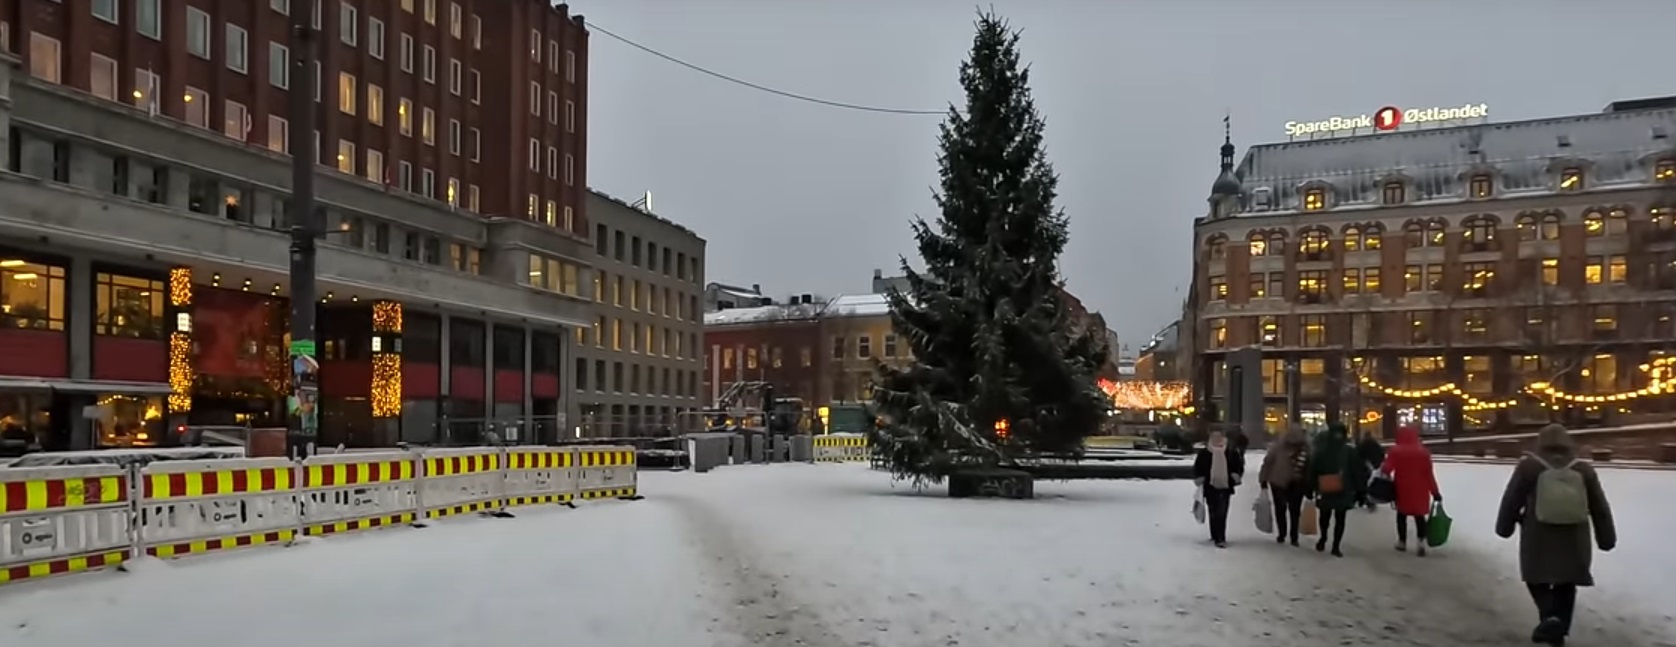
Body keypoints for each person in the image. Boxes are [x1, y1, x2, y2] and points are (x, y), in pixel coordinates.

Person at [1495, 424, 1616, 646]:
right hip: (1575, 535)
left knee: (1535, 578)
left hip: (1537, 533)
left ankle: (1549, 616)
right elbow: (1600, 506)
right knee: (1567, 582)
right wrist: (1606, 537)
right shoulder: (1583, 469)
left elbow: (1512, 499)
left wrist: (1505, 526)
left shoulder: (1529, 467)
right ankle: (1558, 627)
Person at [1379, 425, 1441, 556]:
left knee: (1401, 515)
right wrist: (1435, 492)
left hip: (1402, 488)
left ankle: (1402, 542)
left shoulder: (1396, 451)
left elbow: (1387, 469)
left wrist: (1384, 466)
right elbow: (1429, 474)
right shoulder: (1423, 452)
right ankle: (1421, 543)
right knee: (1419, 517)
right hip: (1421, 489)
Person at [1307, 422, 1366, 557]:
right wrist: (1360, 491)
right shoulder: (1349, 451)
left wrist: (1311, 487)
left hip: (1326, 488)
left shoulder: (1322, 450)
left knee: (1326, 516)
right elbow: (1357, 472)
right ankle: (1334, 545)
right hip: (1343, 489)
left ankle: (1325, 539)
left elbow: (1313, 470)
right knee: (1339, 518)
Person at [1258, 427, 1311, 546]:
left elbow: (1267, 463)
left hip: (1282, 482)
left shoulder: (1279, 447)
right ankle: (1290, 535)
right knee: (1292, 510)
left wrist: (1263, 479)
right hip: (1286, 482)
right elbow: (1268, 463)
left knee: (1284, 509)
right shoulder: (1305, 449)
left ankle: (1285, 534)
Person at [1192, 430, 1245, 548]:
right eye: (1214, 438)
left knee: (1222, 511)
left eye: (1219, 438)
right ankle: (1215, 533)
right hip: (1210, 486)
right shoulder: (1205, 453)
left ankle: (1220, 537)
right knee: (1213, 511)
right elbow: (1198, 467)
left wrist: (1235, 475)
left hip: (1225, 486)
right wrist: (1200, 477)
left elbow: (1238, 465)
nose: (1217, 441)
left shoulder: (1230, 452)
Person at [1355, 431, 1387, 511]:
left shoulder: (1362, 445)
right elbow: (1381, 455)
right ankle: (1371, 500)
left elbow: (1358, 456)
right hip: (1374, 466)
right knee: (1371, 483)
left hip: (1364, 468)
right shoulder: (1376, 445)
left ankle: (1363, 500)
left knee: (1364, 483)